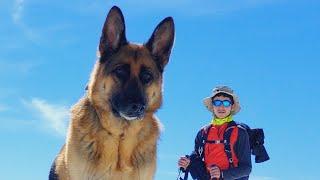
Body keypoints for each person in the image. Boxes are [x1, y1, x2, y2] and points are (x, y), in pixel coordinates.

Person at [178, 86, 252, 180]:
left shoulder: (240, 132)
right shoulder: (202, 133)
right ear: (212, 106)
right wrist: (187, 163)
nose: (221, 106)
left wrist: (222, 174)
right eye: (217, 102)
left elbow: (246, 169)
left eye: (226, 102)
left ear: (232, 106)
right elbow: (196, 159)